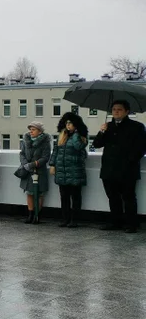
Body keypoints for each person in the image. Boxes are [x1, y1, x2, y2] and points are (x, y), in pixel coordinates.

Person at [92, 99, 146, 233]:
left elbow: (141, 148)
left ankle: (131, 224)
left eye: (119, 109)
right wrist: (102, 131)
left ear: (127, 111)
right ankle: (115, 222)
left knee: (128, 197)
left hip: (127, 169)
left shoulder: (137, 127)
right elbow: (97, 144)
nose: (116, 112)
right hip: (109, 169)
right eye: (114, 109)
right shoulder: (108, 126)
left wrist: (129, 161)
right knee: (113, 197)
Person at [50, 113, 89, 228]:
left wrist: (76, 134)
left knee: (76, 197)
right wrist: (52, 165)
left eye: (71, 123)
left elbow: (78, 147)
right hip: (62, 171)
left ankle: (74, 220)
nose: (68, 125)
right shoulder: (62, 136)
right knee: (64, 197)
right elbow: (56, 152)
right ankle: (65, 219)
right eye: (67, 123)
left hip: (75, 171)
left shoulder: (81, 137)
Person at [19, 120, 52, 224]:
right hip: (28, 171)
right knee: (29, 193)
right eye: (30, 130)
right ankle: (30, 215)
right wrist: (25, 164)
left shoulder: (45, 142)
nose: (31, 132)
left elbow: (45, 157)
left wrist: (34, 164)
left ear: (40, 131)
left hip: (39, 171)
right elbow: (22, 154)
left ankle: (37, 215)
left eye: (33, 130)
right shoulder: (26, 141)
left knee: (39, 194)